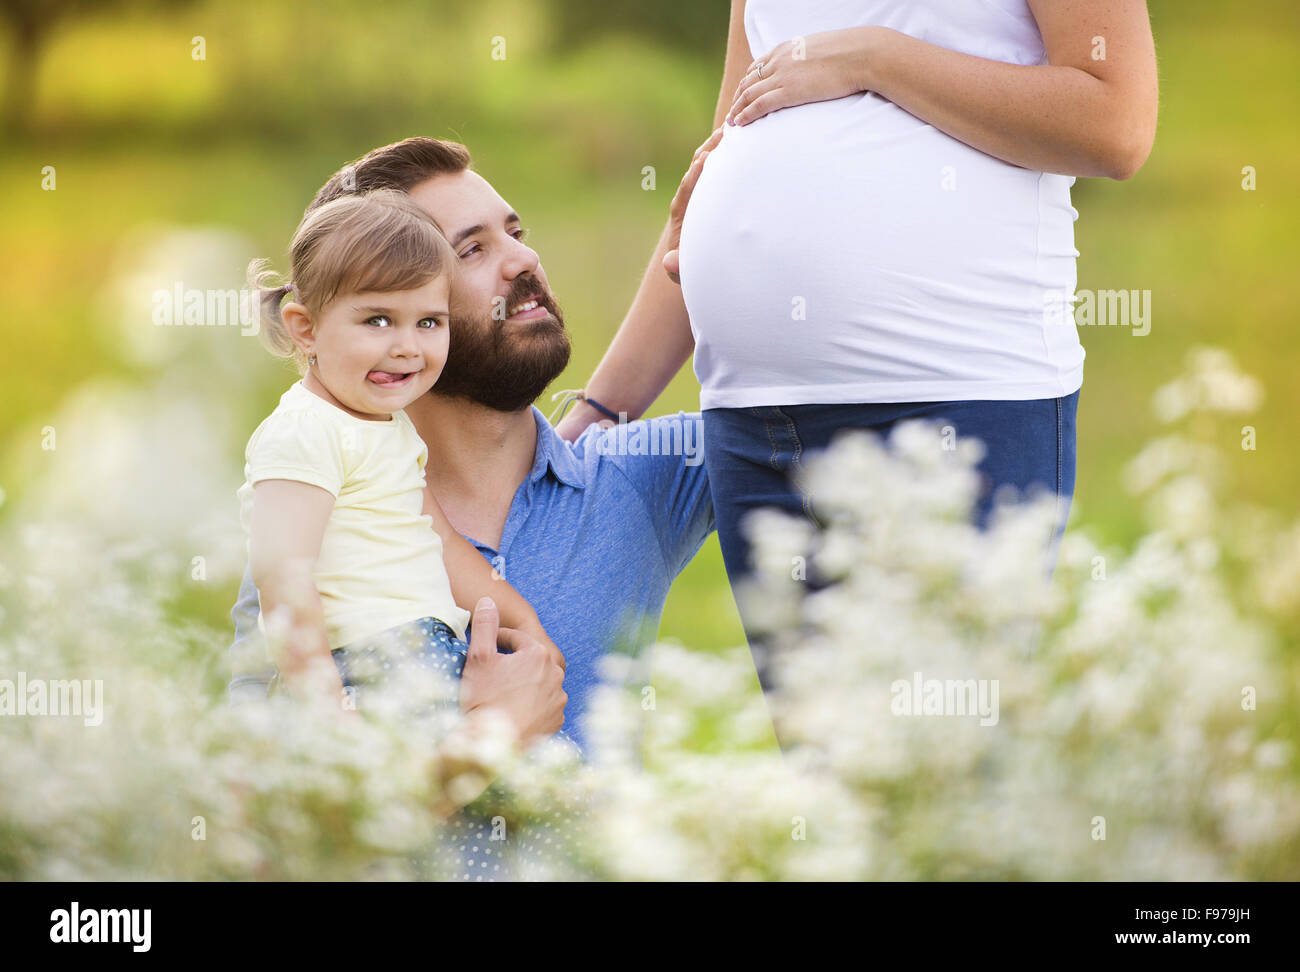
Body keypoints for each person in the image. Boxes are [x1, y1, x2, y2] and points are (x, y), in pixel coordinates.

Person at [559, 0, 1160, 690]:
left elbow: (1116, 122)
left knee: (941, 766)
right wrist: (604, 408)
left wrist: (877, 59)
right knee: (826, 773)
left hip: (955, 407)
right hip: (756, 430)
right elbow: (708, 182)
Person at [229, 138, 716, 824]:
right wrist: (494, 738)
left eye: (515, 233)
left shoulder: (636, 481)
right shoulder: (320, 539)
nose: (523, 259)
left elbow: (831, 422)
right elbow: (260, 839)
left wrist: (726, 235)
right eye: (471, 250)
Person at [239, 188, 568, 759]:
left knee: (536, 794)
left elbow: (440, 543)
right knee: (438, 802)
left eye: (429, 323)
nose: (406, 348)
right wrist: (327, 708)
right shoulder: (304, 431)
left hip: (431, 658)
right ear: (306, 328)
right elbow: (283, 581)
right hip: (368, 670)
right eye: (378, 320)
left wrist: (523, 619)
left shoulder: (389, 430)